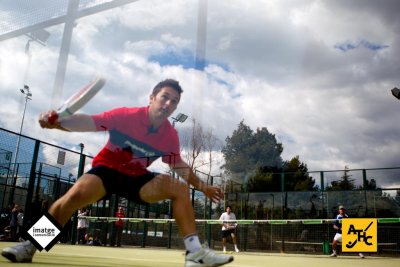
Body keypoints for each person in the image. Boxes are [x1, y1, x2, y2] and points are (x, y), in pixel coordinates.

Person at [2, 79, 233, 267]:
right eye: (165, 97)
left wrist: (203, 186)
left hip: (137, 178)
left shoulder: (169, 135)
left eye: (174, 102)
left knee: (178, 187)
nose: (169, 104)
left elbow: (178, 165)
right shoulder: (126, 115)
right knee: (72, 198)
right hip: (107, 170)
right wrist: (58, 123)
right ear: (152, 98)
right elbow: (89, 122)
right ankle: (30, 246)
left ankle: (194, 253)